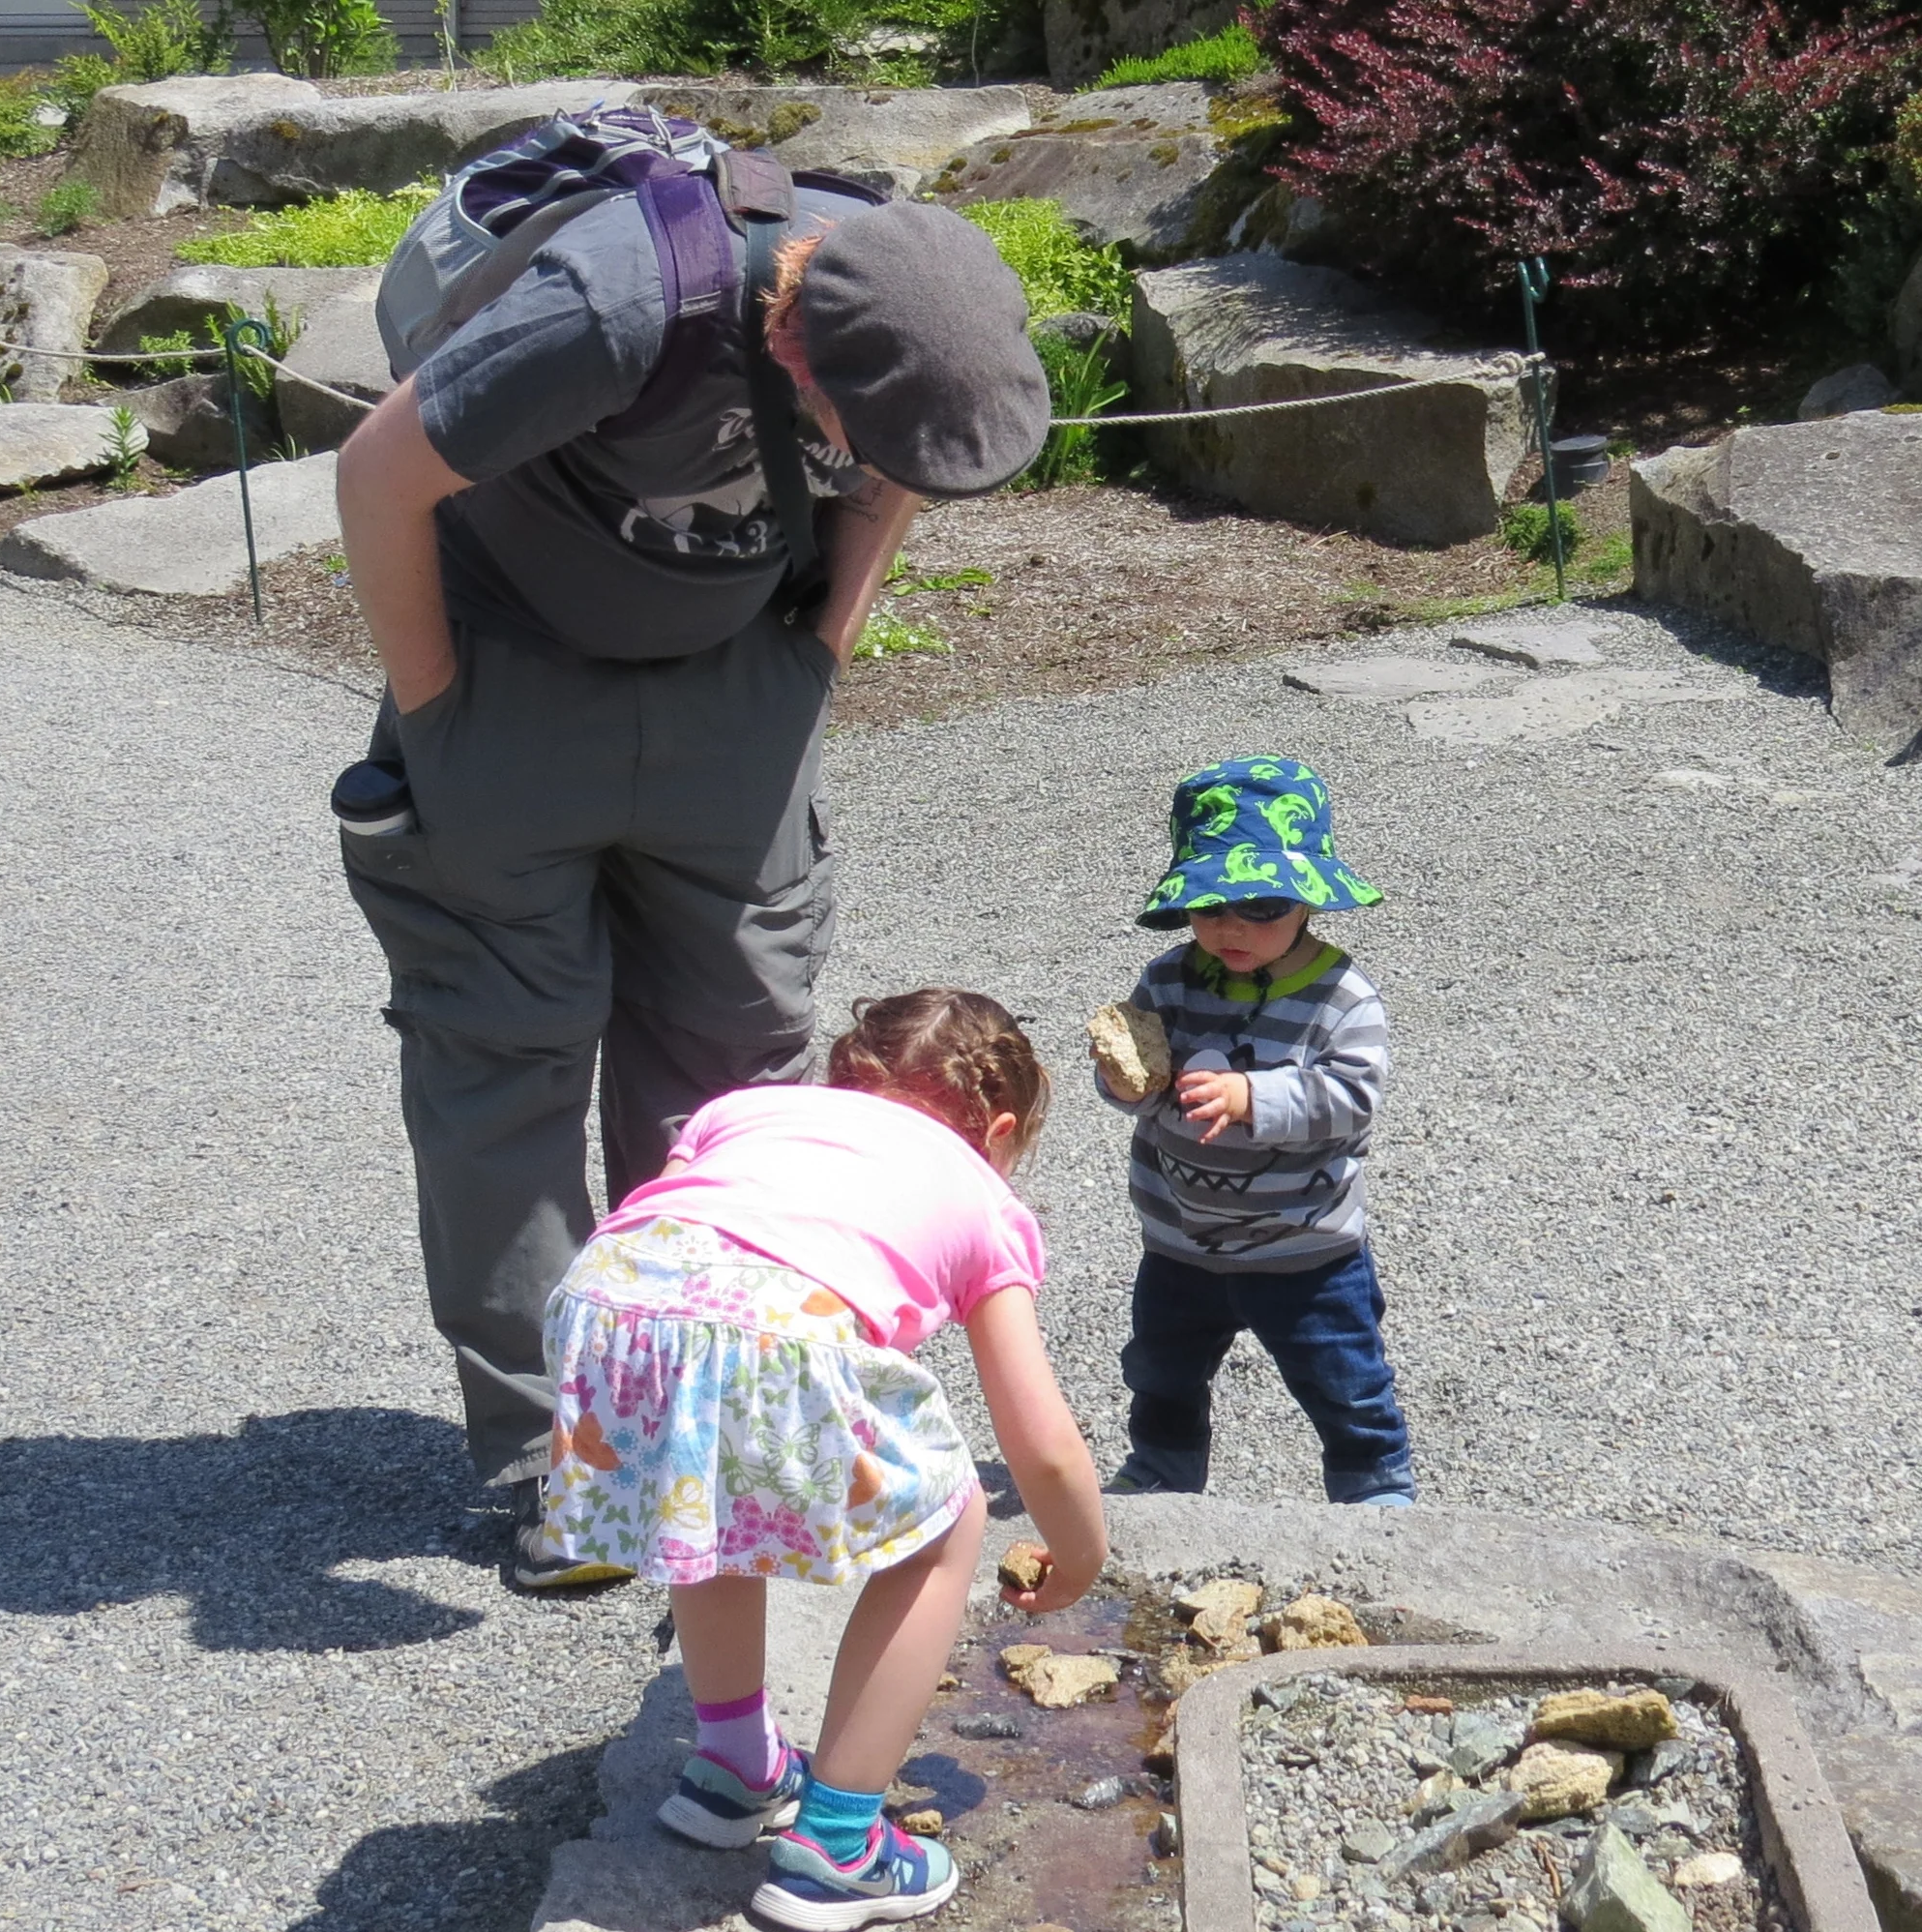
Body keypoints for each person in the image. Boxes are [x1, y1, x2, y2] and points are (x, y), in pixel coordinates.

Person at [332, 180, 1052, 1584]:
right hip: (507, 691)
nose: (885, 459)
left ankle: (714, 1425)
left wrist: (816, 656)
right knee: (505, 1074)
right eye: (861, 427)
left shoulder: (905, 288)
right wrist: (436, 708)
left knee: (738, 1065)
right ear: (795, 354)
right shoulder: (612, 306)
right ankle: (569, 1464)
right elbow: (376, 472)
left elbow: (897, 459)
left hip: (737, 696)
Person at [538, 988, 1107, 1929]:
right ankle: (840, 1841)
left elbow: (694, 1218)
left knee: (702, 1487)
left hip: (607, 1301)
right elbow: (1036, 1438)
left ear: (840, 1081)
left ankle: (732, 1767)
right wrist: (1078, 1551)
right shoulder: (977, 1186)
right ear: (998, 1130)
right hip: (772, 1327)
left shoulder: (741, 1109)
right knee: (946, 1524)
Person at [1091, 757, 1416, 1505]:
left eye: (1262, 905)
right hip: (1180, 1239)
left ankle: (1372, 1483)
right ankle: (1162, 1469)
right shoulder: (1167, 981)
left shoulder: (1342, 997)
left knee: (1342, 1377)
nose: (1231, 927)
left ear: (1308, 899)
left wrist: (1250, 1096)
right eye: (1209, 907)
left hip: (1304, 1248)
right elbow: (1146, 1081)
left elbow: (1351, 1096)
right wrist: (1121, 1083)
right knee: (1160, 1370)